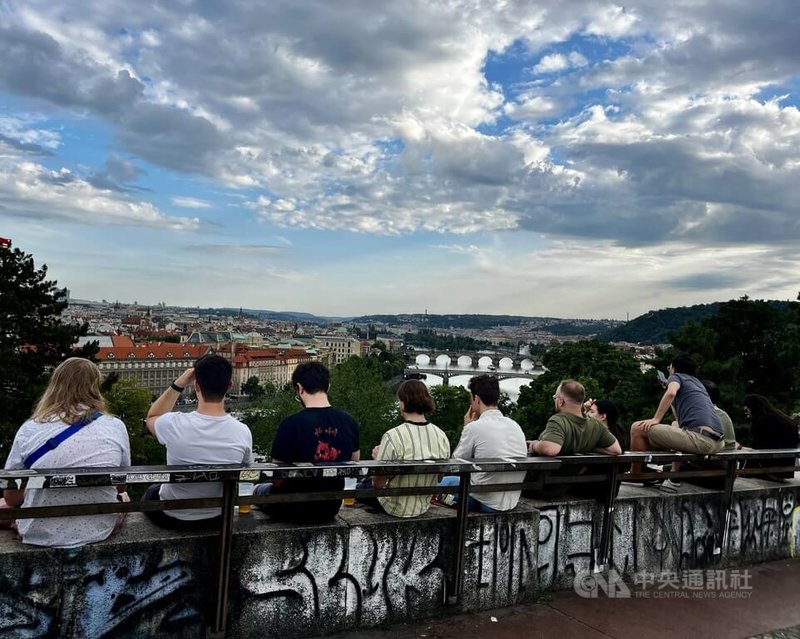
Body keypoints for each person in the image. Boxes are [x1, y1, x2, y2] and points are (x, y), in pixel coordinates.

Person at [2, 358, 131, 547]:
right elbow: (121, 487)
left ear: (54, 386)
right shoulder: (115, 426)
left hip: (38, 532)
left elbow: (12, 498)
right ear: (95, 387)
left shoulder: (30, 428)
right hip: (97, 529)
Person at [144, 354, 253, 529]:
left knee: (152, 491)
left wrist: (178, 383)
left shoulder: (174, 424)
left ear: (196, 386)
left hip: (173, 515)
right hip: (217, 515)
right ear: (229, 386)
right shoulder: (242, 432)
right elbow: (246, 470)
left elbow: (152, 416)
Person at [254, 362, 360, 524]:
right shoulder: (349, 422)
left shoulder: (290, 424)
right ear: (328, 387)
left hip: (291, 507)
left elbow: (277, 478)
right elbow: (354, 463)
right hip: (330, 506)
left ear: (300, 388)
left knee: (257, 490)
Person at [360, 380, 450, 517]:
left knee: (361, 486)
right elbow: (439, 478)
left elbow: (378, 484)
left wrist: (379, 459)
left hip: (394, 507)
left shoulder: (393, 436)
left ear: (403, 403)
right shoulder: (441, 435)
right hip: (423, 505)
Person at [439, 375, 527, 513]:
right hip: (511, 501)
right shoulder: (515, 426)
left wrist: (466, 428)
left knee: (435, 484)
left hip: (485, 500)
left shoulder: (475, 427)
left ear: (477, 399)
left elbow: (454, 464)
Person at [630, 354, 724, 477]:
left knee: (637, 428)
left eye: (670, 367)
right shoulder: (698, 383)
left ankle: (636, 474)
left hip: (701, 440)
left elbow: (671, 393)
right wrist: (672, 394)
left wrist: (656, 419)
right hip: (717, 442)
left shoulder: (676, 377)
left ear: (674, 368)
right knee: (675, 425)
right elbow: (679, 420)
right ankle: (674, 473)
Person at [526, 381, 621, 498]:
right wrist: (589, 446)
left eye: (555, 397)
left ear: (561, 401)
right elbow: (616, 450)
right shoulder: (595, 425)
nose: (555, 400)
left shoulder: (558, 420)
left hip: (539, 486)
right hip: (562, 487)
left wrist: (535, 445)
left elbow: (551, 449)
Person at [743, 394, 799, 481]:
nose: (746, 412)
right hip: (787, 471)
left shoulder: (760, 422)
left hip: (770, 472)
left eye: (747, 409)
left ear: (753, 408)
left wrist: (745, 471)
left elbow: (756, 449)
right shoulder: (782, 418)